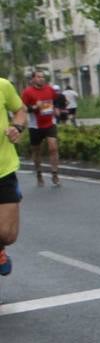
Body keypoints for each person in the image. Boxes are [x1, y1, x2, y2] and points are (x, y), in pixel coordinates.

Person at [0, 77, 28, 294]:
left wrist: (16, 126)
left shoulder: (3, 86)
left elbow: (20, 110)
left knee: (8, 235)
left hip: (3, 169)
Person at [21, 69, 61, 187]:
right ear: (33, 79)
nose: (41, 79)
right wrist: (35, 107)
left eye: (43, 77)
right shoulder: (27, 92)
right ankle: (39, 173)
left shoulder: (50, 89)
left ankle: (55, 173)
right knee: (36, 151)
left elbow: (56, 100)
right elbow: (23, 109)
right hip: (35, 126)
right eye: (38, 77)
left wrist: (57, 108)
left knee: (53, 147)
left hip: (50, 123)